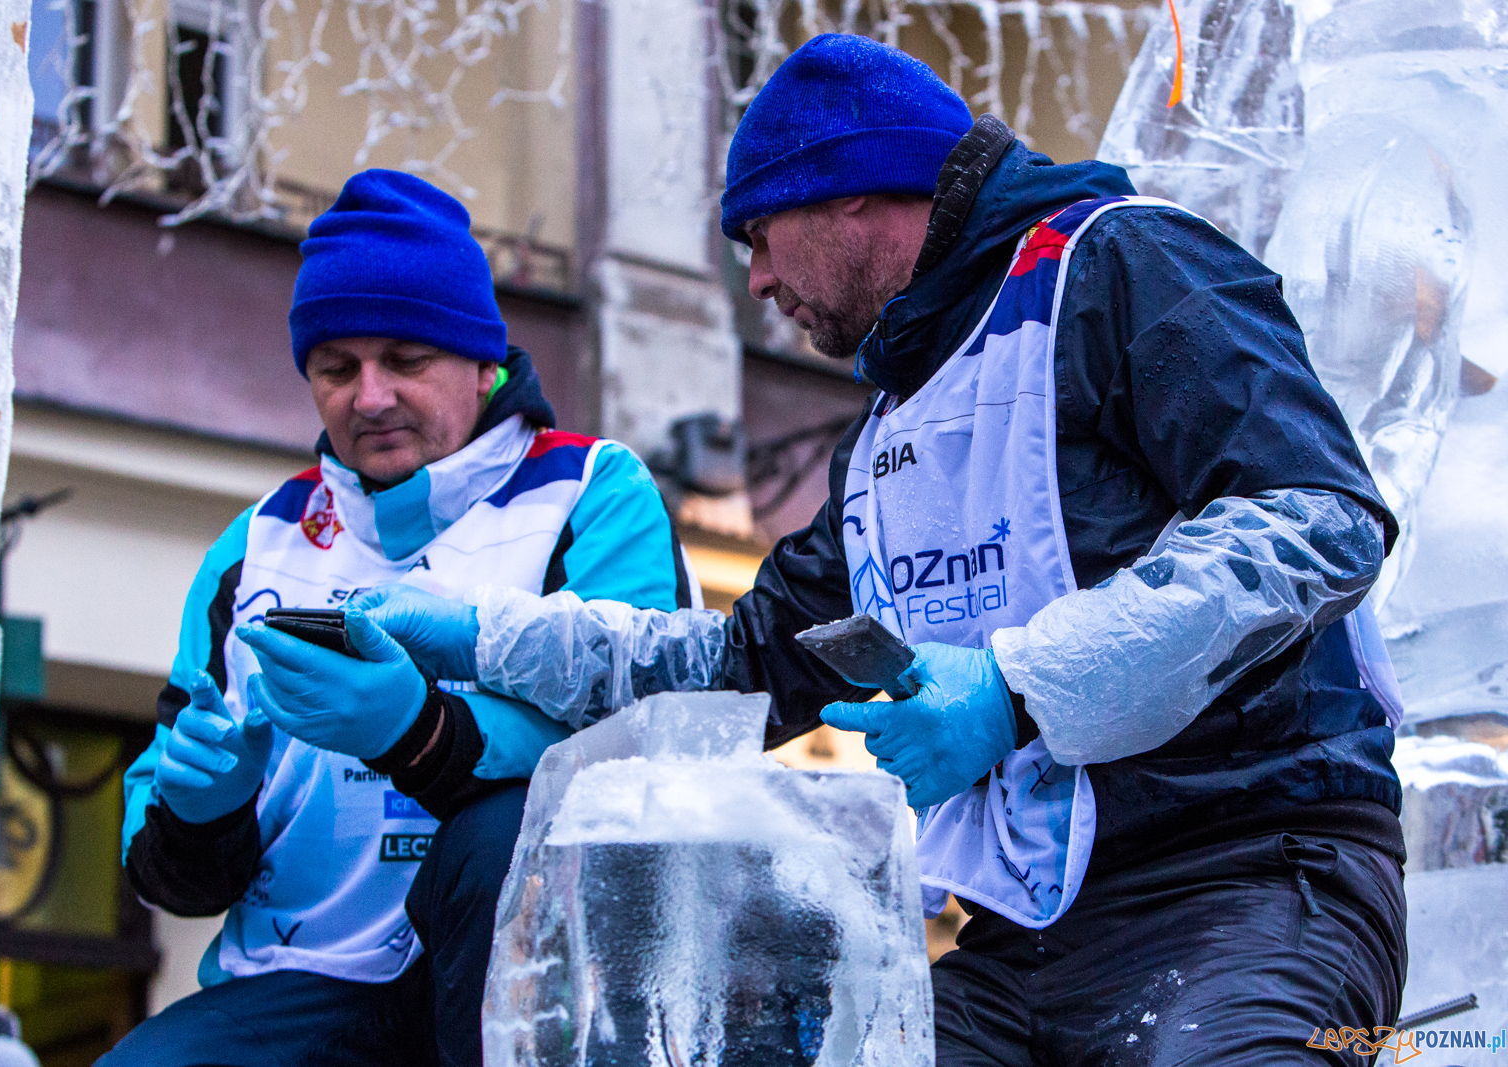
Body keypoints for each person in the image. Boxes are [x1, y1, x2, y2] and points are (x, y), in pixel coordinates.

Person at [357, 36, 1409, 1066]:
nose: (757, 280)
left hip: (1256, 877)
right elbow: (739, 666)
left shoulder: (1121, 264)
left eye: (760, 235)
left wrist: (1016, 686)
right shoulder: (882, 444)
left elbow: (1316, 519)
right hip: (1027, 931)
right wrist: (483, 634)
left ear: (851, 190)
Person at [100, 170, 694, 1067]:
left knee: (502, 833)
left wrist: (420, 729)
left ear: (483, 361)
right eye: (336, 368)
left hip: (532, 979)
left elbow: (642, 741)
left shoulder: (589, 492)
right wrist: (199, 817)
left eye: (406, 359)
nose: (369, 396)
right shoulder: (255, 543)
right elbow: (170, 876)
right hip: (302, 982)